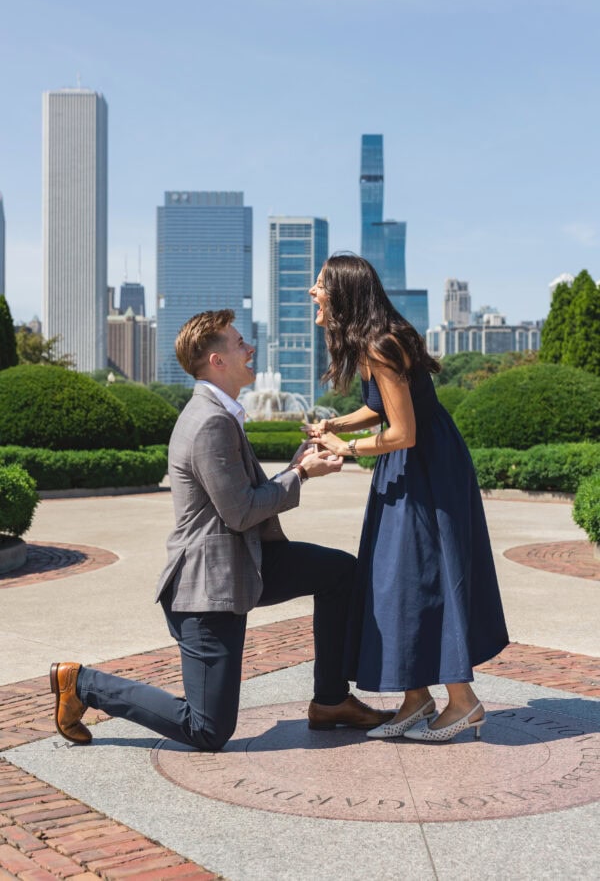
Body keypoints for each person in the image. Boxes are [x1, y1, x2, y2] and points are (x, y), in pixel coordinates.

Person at [50, 310, 394, 751]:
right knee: (208, 730)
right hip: (208, 586)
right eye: (239, 344)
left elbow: (240, 499)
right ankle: (84, 685)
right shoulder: (210, 421)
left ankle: (330, 700)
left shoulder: (221, 413)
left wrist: (296, 465)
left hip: (245, 561)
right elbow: (239, 512)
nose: (250, 350)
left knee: (340, 573)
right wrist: (302, 476)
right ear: (216, 360)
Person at [306, 255, 508, 742]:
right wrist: (338, 422)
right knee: (396, 580)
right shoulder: (377, 340)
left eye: (319, 286)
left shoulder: (380, 344)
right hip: (412, 470)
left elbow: (403, 432)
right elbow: (380, 407)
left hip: (425, 473)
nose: (313, 293)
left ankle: (463, 702)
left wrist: (346, 448)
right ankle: (415, 699)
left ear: (342, 292)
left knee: (424, 577)